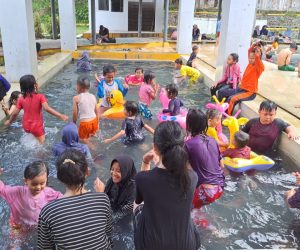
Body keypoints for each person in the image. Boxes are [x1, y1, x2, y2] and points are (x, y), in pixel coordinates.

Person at [134, 121, 200, 250]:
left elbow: (139, 200)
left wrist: (145, 163)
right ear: (182, 145)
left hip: (151, 244)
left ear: (155, 147)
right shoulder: (192, 177)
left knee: (137, 206)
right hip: (187, 243)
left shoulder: (142, 178)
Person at [37, 149, 113, 249]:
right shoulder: (102, 199)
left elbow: (44, 248)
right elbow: (109, 233)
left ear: (59, 177)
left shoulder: (48, 211)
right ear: (87, 172)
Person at [5, 75, 68, 144]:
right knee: (42, 145)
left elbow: (14, 113)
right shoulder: (40, 97)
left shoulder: (21, 99)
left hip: (26, 125)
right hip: (36, 126)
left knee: (30, 140)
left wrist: (9, 121)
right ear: (35, 85)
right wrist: (60, 115)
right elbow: (46, 108)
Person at [0, 161, 62, 230]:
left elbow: (61, 198)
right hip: (18, 224)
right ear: (26, 181)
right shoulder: (18, 192)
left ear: (46, 180)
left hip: (35, 224)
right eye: (34, 184)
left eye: (42, 183)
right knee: (16, 240)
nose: (38, 187)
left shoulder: (47, 192)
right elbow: (2, 189)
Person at [185, 109, 224, 209]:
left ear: (188, 125)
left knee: (187, 211)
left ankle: (206, 224)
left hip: (205, 191)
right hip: (220, 188)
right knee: (198, 207)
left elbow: (184, 169)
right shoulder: (213, 141)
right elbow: (222, 165)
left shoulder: (188, 145)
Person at [218, 41, 265, 115]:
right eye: (250, 58)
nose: (250, 59)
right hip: (241, 89)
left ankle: (227, 116)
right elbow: (249, 50)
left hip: (250, 92)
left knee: (232, 99)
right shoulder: (250, 64)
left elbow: (257, 56)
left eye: (253, 58)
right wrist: (254, 45)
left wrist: (257, 50)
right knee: (221, 92)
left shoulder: (259, 67)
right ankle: (220, 110)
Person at [73, 76, 98, 142]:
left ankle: (94, 149)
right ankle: (95, 146)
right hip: (94, 121)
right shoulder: (93, 96)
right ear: (89, 87)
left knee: (82, 139)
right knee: (92, 136)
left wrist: (74, 123)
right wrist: (98, 123)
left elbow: (75, 114)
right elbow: (96, 111)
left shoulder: (76, 98)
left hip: (85, 123)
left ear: (79, 87)